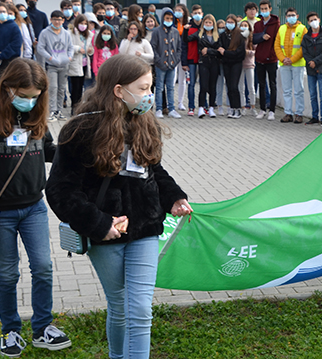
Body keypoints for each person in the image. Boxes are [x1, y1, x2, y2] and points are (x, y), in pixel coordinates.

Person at [45, 54, 191, 359]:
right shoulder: (79, 130)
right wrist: (100, 224)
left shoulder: (144, 122)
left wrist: (174, 196)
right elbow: (60, 190)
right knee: (121, 305)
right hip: (105, 234)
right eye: (143, 88)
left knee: (140, 308)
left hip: (147, 228)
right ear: (118, 90)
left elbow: (154, 170)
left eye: (151, 88)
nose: (149, 95)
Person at [0, 57, 72, 358]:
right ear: (7, 88)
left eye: (35, 97)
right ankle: (11, 331)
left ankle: (43, 327)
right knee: (8, 274)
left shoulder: (36, 114)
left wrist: (77, 152)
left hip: (34, 207)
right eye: (24, 95)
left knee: (43, 268)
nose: (30, 102)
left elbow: (48, 151)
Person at [37, 10, 72, 121]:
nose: (57, 22)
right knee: (53, 88)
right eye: (55, 19)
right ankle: (52, 110)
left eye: (59, 19)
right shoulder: (45, 33)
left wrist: (69, 57)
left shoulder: (66, 33)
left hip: (64, 64)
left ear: (63, 20)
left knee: (62, 88)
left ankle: (59, 111)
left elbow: (71, 47)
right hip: (51, 65)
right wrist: (50, 58)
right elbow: (40, 48)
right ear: (51, 20)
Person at [273, 7, 306, 123]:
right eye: (289, 15)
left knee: (298, 90)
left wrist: (292, 59)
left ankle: (299, 113)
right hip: (284, 64)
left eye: (293, 15)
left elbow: (303, 47)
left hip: (298, 64)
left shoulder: (303, 29)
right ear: (286, 17)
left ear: (297, 16)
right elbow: (277, 46)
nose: (291, 17)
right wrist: (283, 59)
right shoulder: (281, 28)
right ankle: (288, 113)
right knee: (286, 90)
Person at [300, 11, 322, 126]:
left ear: (319, 20)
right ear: (308, 22)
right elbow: (305, 52)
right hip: (311, 70)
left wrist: (315, 62)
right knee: (312, 95)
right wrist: (310, 62)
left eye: (315, 19)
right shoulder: (306, 37)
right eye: (311, 20)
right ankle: (314, 117)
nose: (314, 22)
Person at [151, 7, 181, 118]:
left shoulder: (175, 32)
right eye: (166, 18)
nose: (168, 20)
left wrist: (175, 61)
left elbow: (179, 48)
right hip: (160, 65)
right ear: (162, 17)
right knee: (159, 87)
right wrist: (159, 61)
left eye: (170, 18)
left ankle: (171, 108)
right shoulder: (156, 32)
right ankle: (159, 108)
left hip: (172, 64)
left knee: (171, 87)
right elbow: (153, 47)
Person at [252, 0, 278, 120]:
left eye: (265, 9)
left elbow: (277, 41)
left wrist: (273, 53)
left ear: (270, 9)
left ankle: (272, 110)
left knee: (272, 84)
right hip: (260, 58)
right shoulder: (258, 24)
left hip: (271, 59)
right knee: (261, 84)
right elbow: (254, 39)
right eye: (262, 9)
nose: (264, 11)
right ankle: (262, 109)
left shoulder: (275, 24)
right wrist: (261, 37)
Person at [218, 14, 244, 118]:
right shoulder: (223, 35)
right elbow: (220, 50)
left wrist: (226, 53)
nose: (229, 24)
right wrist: (226, 54)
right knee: (229, 87)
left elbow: (240, 53)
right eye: (228, 22)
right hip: (226, 64)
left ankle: (238, 109)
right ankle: (232, 109)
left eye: (232, 22)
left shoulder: (240, 35)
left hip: (236, 64)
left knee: (234, 86)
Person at [68, 13, 93, 114]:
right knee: (75, 87)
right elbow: (69, 46)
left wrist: (90, 50)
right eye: (81, 23)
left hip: (84, 63)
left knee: (81, 86)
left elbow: (91, 47)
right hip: (75, 62)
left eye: (85, 23)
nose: (83, 25)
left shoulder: (89, 34)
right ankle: (74, 107)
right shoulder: (71, 33)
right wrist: (78, 49)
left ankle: (78, 106)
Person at [196, 13, 219, 118]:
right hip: (203, 62)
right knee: (203, 86)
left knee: (212, 87)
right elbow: (188, 40)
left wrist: (208, 50)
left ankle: (211, 108)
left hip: (214, 63)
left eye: (210, 22)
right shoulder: (200, 35)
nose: (208, 24)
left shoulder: (217, 36)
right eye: (206, 22)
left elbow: (219, 51)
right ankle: (201, 108)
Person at [183, 4, 201, 116]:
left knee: (204, 85)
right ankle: (191, 107)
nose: (197, 15)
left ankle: (205, 106)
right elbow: (184, 45)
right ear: (192, 14)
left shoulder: (206, 25)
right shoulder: (188, 27)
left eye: (199, 13)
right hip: (191, 59)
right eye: (195, 13)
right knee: (191, 84)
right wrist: (184, 62)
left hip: (204, 60)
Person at [172, 2, 188, 112]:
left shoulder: (188, 23)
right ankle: (171, 102)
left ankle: (180, 102)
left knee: (182, 80)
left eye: (180, 10)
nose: (178, 12)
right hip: (173, 53)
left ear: (184, 12)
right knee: (172, 79)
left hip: (184, 53)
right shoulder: (172, 23)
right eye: (176, 10)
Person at [238, 19, 255, 116]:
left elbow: (256, 51)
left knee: (251, 86)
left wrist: (249, 52)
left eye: (246, 25)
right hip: (240, 64)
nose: (244, 27)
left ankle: (252, 107)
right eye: (242, 25)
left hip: (250, 65)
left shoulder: (252, 38)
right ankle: (243, 107)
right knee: (241, 87)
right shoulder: (238, 38)